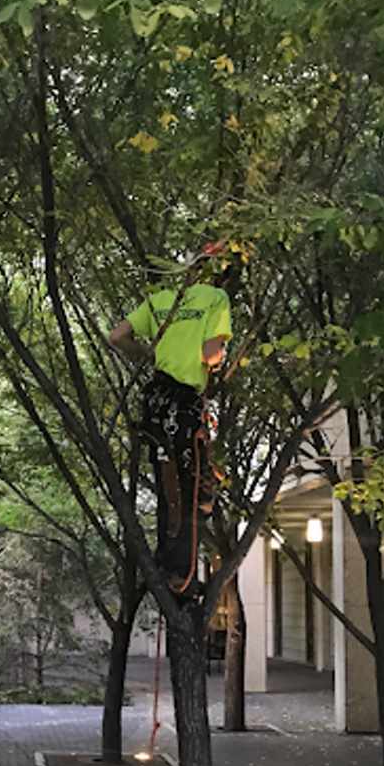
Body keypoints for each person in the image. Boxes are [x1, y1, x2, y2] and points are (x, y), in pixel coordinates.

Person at [109, 247, 232, 594]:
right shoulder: (216, 298)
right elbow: (211, 354)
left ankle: (165, 560)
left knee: (168, 486)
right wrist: (218, 358)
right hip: (184, 405)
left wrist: (151, 356)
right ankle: (182, 573)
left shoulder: (160, 300)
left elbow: (116, 337)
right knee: (194, 489)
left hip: (156, 404)